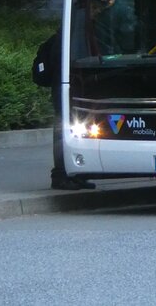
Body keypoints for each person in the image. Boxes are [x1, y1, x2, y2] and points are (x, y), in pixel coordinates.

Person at [32, 28, 95, 191]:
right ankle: (61, 175)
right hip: (65, 92)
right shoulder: (64, 40)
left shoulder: (64, 39)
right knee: (63, 133)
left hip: (66, 91)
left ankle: (76, 174)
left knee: (76, 131)